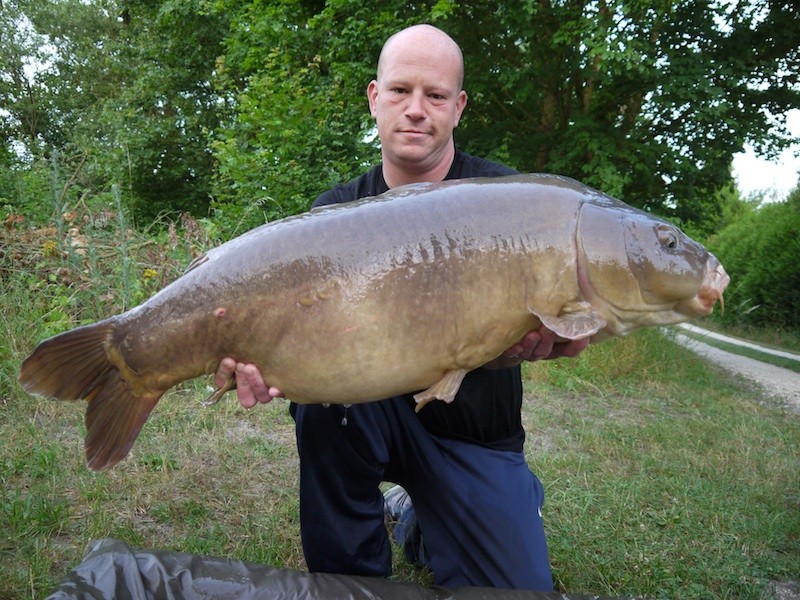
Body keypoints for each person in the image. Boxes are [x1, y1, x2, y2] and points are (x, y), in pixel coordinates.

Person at [216, 24, 589, 591]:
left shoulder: (511, 202)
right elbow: (289, 340)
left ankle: (430, 514)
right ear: (374, 98)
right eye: (400, 92)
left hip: (473, 433)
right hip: (366, 419)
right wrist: (256, 358)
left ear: (458, 107)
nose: (416, 110)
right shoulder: (335, 211)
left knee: (514, 588)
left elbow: (569, 318)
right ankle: (353, 581)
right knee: (323, 410)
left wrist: (552, 339)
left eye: (436, 96)